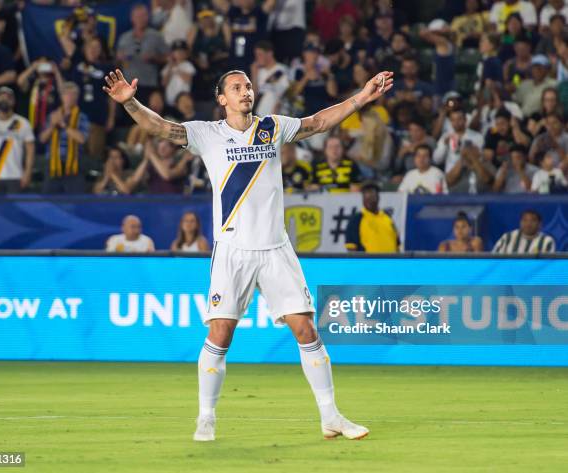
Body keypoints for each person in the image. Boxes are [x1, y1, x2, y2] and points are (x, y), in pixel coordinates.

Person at [104, 61, 394, 441]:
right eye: (237, 88)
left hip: (275, 249)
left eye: (249, 86)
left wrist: (361, 98)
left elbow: (318, 122)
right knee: (221, 334)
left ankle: (331, 417)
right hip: (233, 250)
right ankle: (205, 417)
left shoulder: (271, 127)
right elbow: (162, 127)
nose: (246, 92)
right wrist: (130, 104)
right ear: (222, 99)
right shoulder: (206, 134)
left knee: (306, 329)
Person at [39, 82, 90, 193]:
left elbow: (82, 139)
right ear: (61, 97)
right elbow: (42, 139)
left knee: (76, 202)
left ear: (77, 97)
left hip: (74, 164)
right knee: (49, 202)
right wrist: (52, 125)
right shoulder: (52, 116)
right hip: (52, 164)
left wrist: (63, 125)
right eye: (67, 94)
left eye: (73, 94)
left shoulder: (82, 117)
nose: (69, 97)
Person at [116, 3, 168, 104]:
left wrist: (154, 58)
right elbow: (117, 62)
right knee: (129, 118)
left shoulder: (156, 36)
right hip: (128, 86)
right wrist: (120, 58)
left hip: (149, 85)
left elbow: (168, 58)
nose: (141, 19)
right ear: (132, 18)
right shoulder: (124, 38)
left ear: (147, 17)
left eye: (143, 16)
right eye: (138, 16)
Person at [344, 182, 399, 253]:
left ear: (378, 198)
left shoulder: (388, 218)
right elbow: (351, 248)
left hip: (391, 263)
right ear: (363, 199)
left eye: (372, 195)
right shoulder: (356, 219)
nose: (369, 198)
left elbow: (397, 245)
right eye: (365, 196)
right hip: (368, 263)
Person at [433, 108, 484, 174]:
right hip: (451, 176)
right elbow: (436, 160)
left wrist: (472, 151)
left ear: (465, 120)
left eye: (459, 119)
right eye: (453, 120)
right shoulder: (445, 137)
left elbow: (482, 159)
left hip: (471, 173)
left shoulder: (477, 137)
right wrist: (444, 145)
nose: (456, 122)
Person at [250, 40, 289, 117]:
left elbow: (285, 94)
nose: (257, 58)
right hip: (258, 112)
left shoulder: (281, 70)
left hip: (278, 112)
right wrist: (254, 75)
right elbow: (253, 96)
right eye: (256, 55)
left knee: (270, 94)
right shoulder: (259, 71)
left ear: (270, 54)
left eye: (260, 55)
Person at [161, 40, 196, 107]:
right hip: (170, 100)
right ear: (172, 53)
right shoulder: (168, 66)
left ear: (186, 53)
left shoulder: (188, 65)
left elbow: (188, 79)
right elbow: (164, 83)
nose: (179, 53)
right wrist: (170, 67)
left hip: (183, 99)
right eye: (177, 51)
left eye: (182, 51)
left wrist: (176, 68)